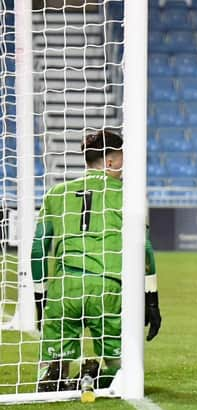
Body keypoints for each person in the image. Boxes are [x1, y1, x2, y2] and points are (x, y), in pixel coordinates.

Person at [32, 130, 162, 393]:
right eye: (123, 157)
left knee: (50, 365)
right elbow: (144, 249)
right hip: (109, 289)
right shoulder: (129, 196)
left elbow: (38, 249)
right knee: (124, 370)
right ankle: (95, 378)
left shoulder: (56, 194)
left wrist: (40, 296)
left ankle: (57, 374)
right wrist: (152, 299)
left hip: (64, 288)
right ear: (111, 162)